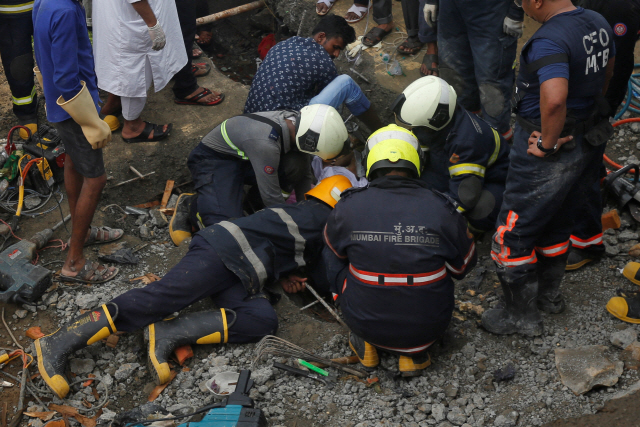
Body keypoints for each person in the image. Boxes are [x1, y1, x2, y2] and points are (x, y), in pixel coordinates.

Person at [35, 176, 354, 398]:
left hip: (241, 271)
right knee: (160, 298)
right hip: (223, 252)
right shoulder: (321, 220)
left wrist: (284, 274)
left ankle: (169, 332)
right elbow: (327, 265)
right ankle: (59, 342)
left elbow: (285, 248)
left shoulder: (304, 216)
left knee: (263, 320)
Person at [481, 0, 615, 337]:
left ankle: (519, 316)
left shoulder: (549, 40)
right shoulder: (597, 21)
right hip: (585, 137)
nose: (521, 6)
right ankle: (549, 296)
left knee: (512, 232)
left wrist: (547, 143)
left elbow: (554, 98)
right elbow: (609, 67)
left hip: (551, 145)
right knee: (559, 217)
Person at [323, 125, 477, 376]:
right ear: (418, 161)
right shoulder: (442, 208)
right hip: (428, 329)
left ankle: (366, 343)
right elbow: (463, 268)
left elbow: (335, 258)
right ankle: (413, 356)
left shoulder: (347, 207)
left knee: (331, 248)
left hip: (365, 324)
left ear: (369, 162)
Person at [33, 0, 123, 284]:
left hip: (58, 106)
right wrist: (90, 120)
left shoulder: (47, 2)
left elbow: (44, 56)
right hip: (73, 108)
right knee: (95, 179)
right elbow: (67, 79)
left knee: (73, 161)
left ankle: (82, 232)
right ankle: (74, 263)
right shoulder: (67, 11)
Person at [169, 104, 350, 245]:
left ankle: (250, 205)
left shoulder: (300, 125)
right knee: (227, 227)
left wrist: (307, 209)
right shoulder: (266, 143)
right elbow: (271, 195)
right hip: (213, 160)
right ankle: (193, 205)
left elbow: (304, 175)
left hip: (245, 158)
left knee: (295, 165)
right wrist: (292, 226)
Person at [566, 0, 640, 270]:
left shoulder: (616, 7)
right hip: (586, 92)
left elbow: (617, 60)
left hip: (596, 97)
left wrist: (605, 103)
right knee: (587, 160)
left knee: (582, 160)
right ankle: (598, 182)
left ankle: (586, 242)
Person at [392, 76, 510, 232]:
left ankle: (466, 232)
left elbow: (465, 195)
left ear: (436, 120)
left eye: (416, 128)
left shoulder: (467, 142)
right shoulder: (445, 121)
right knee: (417, 188)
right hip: (450, 163)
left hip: (492, 179)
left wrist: (427, 220)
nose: (412, 132)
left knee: (481, 210)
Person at [244, 15, 383, 132]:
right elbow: (329, 109)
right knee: (346, 84)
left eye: (339, 50)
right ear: (321, 37)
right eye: (335, 47)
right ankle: (381, 130)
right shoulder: (323, 62)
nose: (336, 54)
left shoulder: (285, 43)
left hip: (249, 119)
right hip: (281, 129)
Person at [423, 0, 524, 140]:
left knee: (492, 85)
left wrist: (516, 10)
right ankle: (468, 127)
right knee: (455, 76)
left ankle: (497, 141)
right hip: (450, 8)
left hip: (492, 11)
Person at [92, 0, 184, 143]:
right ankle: (133, 126)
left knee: (119, 59)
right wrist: (153, 23)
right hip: (135, 15)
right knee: (133, 68)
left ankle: (114, 102)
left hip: (116, 11)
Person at [0, 0, 37, 138]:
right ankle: (26, 112)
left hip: (49, 7)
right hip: (9, 13)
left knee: (56, 56)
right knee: (18, 65)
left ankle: (67, 103)